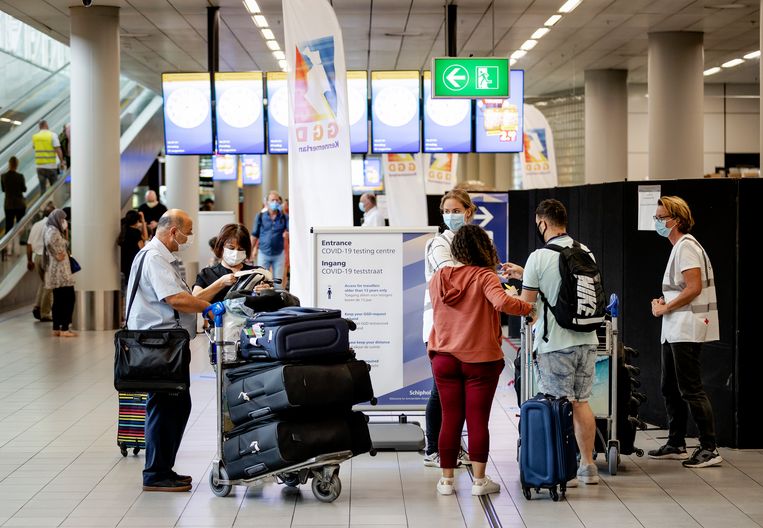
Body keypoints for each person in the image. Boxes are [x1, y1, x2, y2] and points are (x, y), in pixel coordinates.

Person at [428, 224, 534, 496]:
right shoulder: (484, 276)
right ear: (483, 248)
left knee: (450, 418)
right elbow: (502, 303)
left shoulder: (439, 277)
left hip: (443, 356)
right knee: (477, 420)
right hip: (479, 360)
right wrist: (528, 307)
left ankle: (447, 481)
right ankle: (479, 481)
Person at [502, 198, 601, 486]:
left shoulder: (539, 256)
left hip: (556, 342)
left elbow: (526, 304)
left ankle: (563, 468)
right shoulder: (585, 251)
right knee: (581, 402)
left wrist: (511, 293)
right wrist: (525, 273)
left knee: (558, 404)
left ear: (543, 222)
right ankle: (588, 466)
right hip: (588, 339)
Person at [125, 209, 212, 492]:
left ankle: (163, 469)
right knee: (166, 407)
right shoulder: (154, 258)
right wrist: (211, 308)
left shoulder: (157, 257)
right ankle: (155, 473)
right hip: (159, 347)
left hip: (164, 345)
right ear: (173, 231)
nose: (188, 238)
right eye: (187, 232)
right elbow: (174, 298)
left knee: (172, 405)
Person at [648, 196, 722, 468]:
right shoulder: (678, 247)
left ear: (676, 220)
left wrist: (666, 307)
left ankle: (709, 447)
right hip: (675, 327)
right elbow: (682, 288)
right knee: (670, 387)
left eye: (660, 217)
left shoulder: (687, 247)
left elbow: (693, 288)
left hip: (687, 328)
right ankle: (676, 442)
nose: (656, 222)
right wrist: (664, 303)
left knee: (690, 388)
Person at [422, 189, 476, 468]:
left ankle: (454, 445)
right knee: (439, 391)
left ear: (469, 211)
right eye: (447, 211)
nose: (451, 216)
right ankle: (433, 448)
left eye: (457, 210)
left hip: (465, 327)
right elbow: (450, 273)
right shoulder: (439, 244)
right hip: (439, 328)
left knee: (461, 391)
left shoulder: (473, 241)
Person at [193, 224, 256, 304]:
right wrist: (220, 283)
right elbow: (195, 300)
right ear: (221, 247)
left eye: (240, 249)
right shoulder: (207, 274)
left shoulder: (254, 272)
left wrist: (265, 291)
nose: (235, 252)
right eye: (231, 248)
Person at [43, 208, 76, 337]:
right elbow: (58, 247)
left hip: (56, 272)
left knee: (58, 300)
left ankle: (56, 327)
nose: (64, 221)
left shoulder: (50, 229)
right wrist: (57, 253)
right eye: (62, 219)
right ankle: (65, 328)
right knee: (68, 299)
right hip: (62, 273)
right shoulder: (54, 232)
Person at [27, 201, 55, 322]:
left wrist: (29, 260)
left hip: (36, 257)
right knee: (48, 286)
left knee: (44, 283)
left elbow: (29, 244)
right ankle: (45, 313)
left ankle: (37, 307)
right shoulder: (50, 226)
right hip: (46, 258)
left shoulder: (36, 225)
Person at [251, 190, 288, 284]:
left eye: (277, 200)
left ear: (280, 202)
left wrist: (287, 234)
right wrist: (249, 251)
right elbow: (255, 235)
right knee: (262, 281)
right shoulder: (260, 216)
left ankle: (278, 298)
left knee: (278, 283)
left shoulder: (284, 217)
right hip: (263, 253)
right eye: (272, 200)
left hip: (279, 254)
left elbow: (290, 232)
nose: (274, 202)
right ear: (266, 202)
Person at [117, 210, 148, 292]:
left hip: (124, 263)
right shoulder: (136, 232)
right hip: (134, 262)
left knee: (127, 285)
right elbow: (144, 241)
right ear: (137, 221)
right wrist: (143, 221)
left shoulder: (124, 231)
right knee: (134, 286)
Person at [32, 120, 65, 192]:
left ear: (39, 127)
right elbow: (58, 149)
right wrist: (62, 162)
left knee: (42, 190)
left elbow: (34, 147)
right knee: (55, 189)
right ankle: (55, 202)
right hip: (51, 166)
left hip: (39, 167)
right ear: (46, 125)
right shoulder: (52, 135)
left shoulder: (35, 137)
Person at [2, 156, 26, 242]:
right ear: (17, 165)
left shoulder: (3, 176)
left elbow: (3, 189)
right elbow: (24, 189)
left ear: (9, 164)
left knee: (9, 225)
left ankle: (7, 246)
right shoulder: (20, 176)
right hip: (19, 204)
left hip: (8, 204)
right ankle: (21, 242)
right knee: (21, 224)